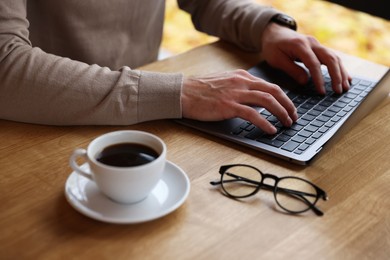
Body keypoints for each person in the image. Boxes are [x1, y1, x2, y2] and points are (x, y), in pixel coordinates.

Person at [0, 0, 351, 135]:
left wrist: (265, 27)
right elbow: (5, 64)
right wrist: (179, 91)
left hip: (147, 118)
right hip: (39, 128)